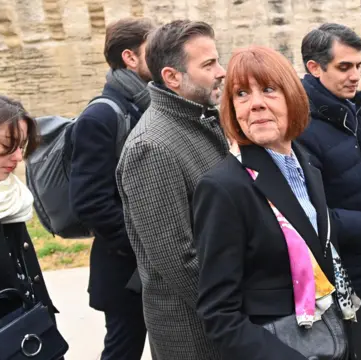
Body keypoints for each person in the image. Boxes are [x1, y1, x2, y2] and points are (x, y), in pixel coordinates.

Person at [194, 45, 360, 360]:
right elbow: (219, 315)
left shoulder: (305, 163)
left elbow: (321, 246)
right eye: (241, 94)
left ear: (293, 98)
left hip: (333, 335)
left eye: (269, 90)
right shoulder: (224, 187)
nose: (255, 104)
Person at [115, 20, 228, 360]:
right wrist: (235, 314)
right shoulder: (152, 146)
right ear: (172, 77)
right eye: (208, 64)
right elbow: (179, 260)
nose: (222, 72)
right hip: (197, 333)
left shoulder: (199, 119)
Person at [298, 23, 361, 360]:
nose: (356, 75)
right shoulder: (301, 124)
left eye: (358, 65)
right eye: (344, 67)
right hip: (341, 269)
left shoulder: (346, 108)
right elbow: (298, 210)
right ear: (314, 67)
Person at [68, 17, 154, 360]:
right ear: (130, 57)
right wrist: (144, 245)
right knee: (123, 351)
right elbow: (90, 202)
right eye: (153, 50)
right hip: (124, 270)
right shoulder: (102, 116)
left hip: (151, 264)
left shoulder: (145, 105)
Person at [0, 92, 58, 333]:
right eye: (7, 146)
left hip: (29, 336)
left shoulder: (8, 195)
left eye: (21, 146)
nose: (18, 157)